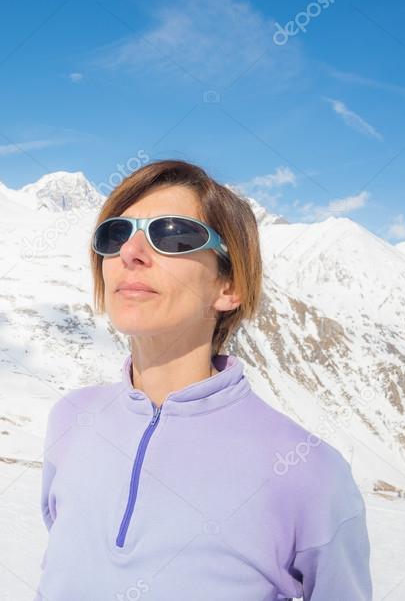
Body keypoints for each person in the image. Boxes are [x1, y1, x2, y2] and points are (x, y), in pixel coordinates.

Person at [37, 159, 372, 600]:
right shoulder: (71, 419)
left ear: (228, 286)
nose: (129, 253)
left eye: (172, 234)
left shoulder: (308, 470)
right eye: (114, 234)